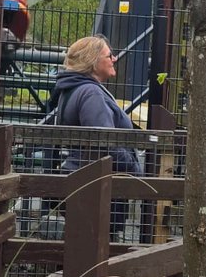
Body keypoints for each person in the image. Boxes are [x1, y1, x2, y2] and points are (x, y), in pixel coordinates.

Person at [44, 34, 143, 239]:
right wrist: (133, 168)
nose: (114, 58)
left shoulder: (73, 89)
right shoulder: (91, 93)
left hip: (81, 180)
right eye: (109, 55)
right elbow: (105, 143)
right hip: (95, 187)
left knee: (81, 245)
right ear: (93, 61)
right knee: (96, 248)